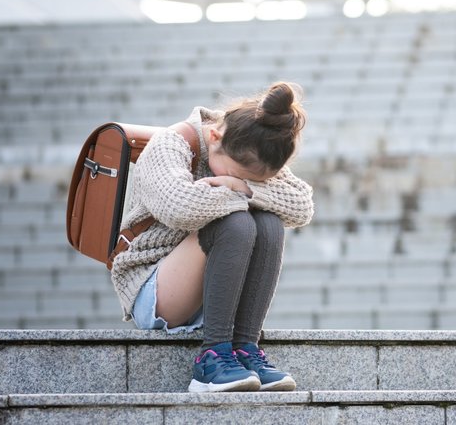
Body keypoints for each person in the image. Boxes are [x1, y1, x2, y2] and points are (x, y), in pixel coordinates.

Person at [109, 81, 314, 393]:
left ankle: (245, 349)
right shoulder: (170, 145)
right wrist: (242, 193)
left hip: (214, 286)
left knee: (270, 222)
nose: (243, 182)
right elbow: (181, 207)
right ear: (215, 137)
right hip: (154, 289)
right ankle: (211, 358)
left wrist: (242, 187)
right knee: (237, 222)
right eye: (239, 174)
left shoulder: (255, 138)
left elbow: (301, 205)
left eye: (256, 180)